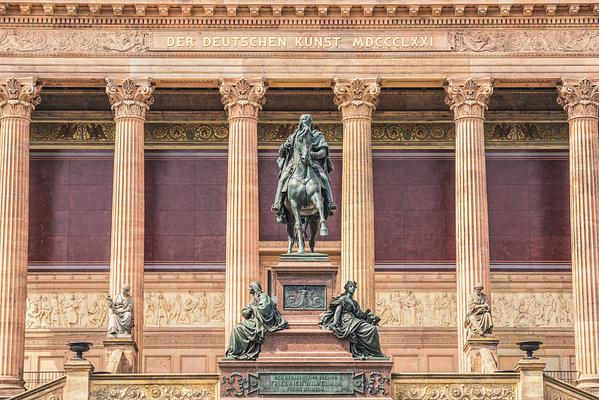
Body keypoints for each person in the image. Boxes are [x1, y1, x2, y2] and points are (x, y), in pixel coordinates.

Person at [271, 114, 337, 221]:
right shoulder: (293, 136)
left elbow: (323, 152)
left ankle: (329, 202)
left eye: (306, 120)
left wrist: (312, 155)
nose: (304, 122)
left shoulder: (317, 135)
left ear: (310, 122)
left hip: (313, 164)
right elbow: (282, 154)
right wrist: (284, 147)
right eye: (302, 120)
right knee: (283, 179)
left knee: (324, 178)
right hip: (294, 164)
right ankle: (278, 204)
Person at [320, 281, 387, 359]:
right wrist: (335, 322)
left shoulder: (354, 302)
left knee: (372, 328)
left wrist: (370, 317)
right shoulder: (343, 299)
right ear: (347, 288)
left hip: (354, 320)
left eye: (354, 287)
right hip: (346, 320)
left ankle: (373, 352)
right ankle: (370, 352)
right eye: (351, 286)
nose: (353, 288)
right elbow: (338, 311)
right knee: (371, 329)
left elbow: (360, 315)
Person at [225, 282, 288, 360]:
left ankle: (239, 352)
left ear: (254, 288)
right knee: (236, 328)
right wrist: (250, 309)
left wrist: (253, 308)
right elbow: (244, 312)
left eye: (250, 286)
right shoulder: (254, 299)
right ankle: (237, 352)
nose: (248, 288)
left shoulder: (263, 296)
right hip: (254, 321)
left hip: (260, 322)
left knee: (237, 329)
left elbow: (264, 309)